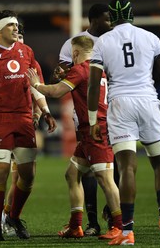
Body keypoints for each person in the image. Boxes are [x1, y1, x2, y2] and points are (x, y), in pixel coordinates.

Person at [87, 0, 160, 245]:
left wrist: (93, 119)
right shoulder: (150, 37)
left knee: (127, 167)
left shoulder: (104, 41)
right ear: (132, 15)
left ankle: (127, 231)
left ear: (113, 18)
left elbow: (94, 84)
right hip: (148, 102)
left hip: (119, 104)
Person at [0, 10, 56, 241]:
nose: (16, 28)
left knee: (27, 175)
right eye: (11, 25)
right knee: (0, 172)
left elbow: (35, 85)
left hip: (25, 120)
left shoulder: (26, 52)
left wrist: (45, 111)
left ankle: (14, 216)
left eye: (17, 25)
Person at [27, 35, 122, 240]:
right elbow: (79, 81)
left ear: (76, 53)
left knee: (105, 179)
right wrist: (66, 74)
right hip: (90, 133)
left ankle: (119, 227)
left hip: (97, 130)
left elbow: (56, 91)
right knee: (72, 174)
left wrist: (36, 84)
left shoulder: (80, 70)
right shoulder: (97, 68)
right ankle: (75, 226)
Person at [56, 3, 115, 235]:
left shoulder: (115, 39)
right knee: (87, 171)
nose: (111, 24)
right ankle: (90, 222)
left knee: (111, 169)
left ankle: (116, 221)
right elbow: (63, 74)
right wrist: (59, 76)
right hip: (89, 115)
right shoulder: (75, 43)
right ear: (94, 20)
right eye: (107, 19)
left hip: (110, 113)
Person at [0, 23, 57, 236]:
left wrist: (39, 113)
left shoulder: (29, 60)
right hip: (3, 124)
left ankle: (9, 216)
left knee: (23, 178)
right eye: (17, 35)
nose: (19, 40)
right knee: (5, 175)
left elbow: (37, 88)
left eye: (22, 35)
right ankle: (3, 220)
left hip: (25, 124)